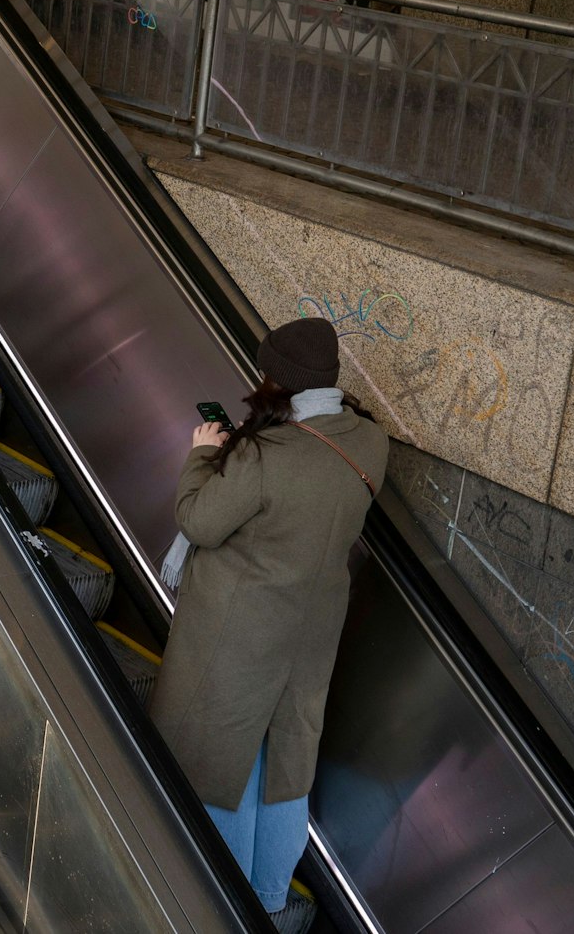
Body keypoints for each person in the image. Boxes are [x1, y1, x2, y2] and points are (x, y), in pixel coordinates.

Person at [149, 317, 388, 933]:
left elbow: (201, 522)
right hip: (310, 632)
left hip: (240, 632)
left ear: (279, 381)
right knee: (284, 763)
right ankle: (269, 898)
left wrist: (204, 454)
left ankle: (217, 902)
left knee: (218, 758)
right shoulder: (368, 444)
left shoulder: (264, 455)